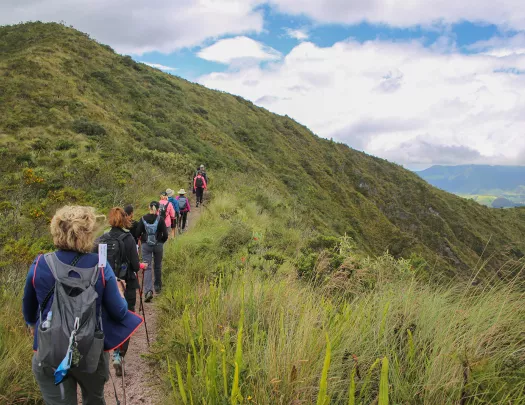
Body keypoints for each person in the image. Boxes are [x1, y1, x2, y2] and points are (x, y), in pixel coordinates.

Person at [23, 206, 142, 405]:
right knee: (94, 399)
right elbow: (120, 312)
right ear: (88, 234)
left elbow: (28, 313)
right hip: (91, 353)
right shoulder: (100, 267)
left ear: (56, 230)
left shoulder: (40, 264)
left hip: (50, 353)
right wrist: (120, 292)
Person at [95, 207, 147, 377]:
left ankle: (109, 351)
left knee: (109, 317)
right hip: (128, 285)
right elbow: (134, 264)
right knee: (125, 318)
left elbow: (101, 266)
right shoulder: (128, 239)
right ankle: (119, 354)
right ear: (124, 219)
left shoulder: (102, 239)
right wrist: (141, 266)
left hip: (107, 286)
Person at [135, 201, 169, 302]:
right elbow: (165, 235)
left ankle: (148, 291)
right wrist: (161, 242)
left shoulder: (142, 218)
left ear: (149, 207)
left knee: (147, 267)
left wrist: (143, 240)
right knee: (157, 266)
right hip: (158, 245)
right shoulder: (160, 219)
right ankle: (157, 287)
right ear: (158, 209)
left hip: (146, 246)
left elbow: (137, 233)